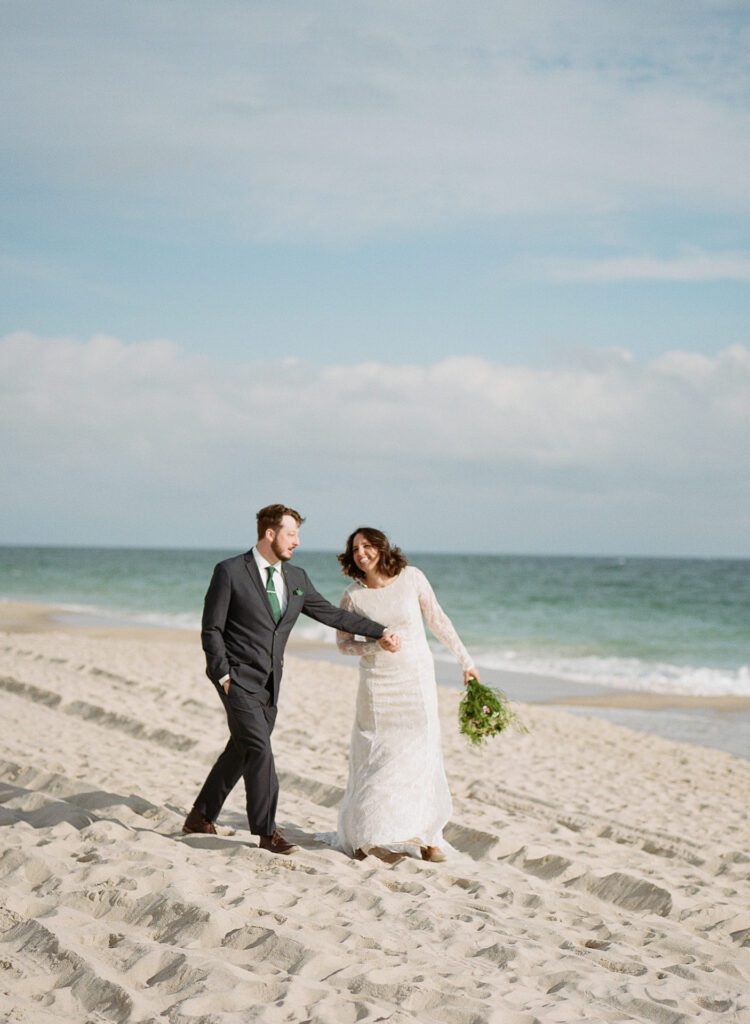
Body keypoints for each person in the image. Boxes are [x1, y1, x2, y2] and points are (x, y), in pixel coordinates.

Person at [183, 504, 400, 855]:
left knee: (240, 750)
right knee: (259, 750)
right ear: (270, 534)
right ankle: (267, 832)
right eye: (291, 533)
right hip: (236, 680)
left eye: (298, 534)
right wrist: (222, 674)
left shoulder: (296, 578)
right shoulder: (230, 571)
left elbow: (332, 614)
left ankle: (200, 816)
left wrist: (381, 631)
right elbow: (212, 629)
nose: (297, 541)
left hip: (270, 684)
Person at [332, 527, 479, 863]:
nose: (361, 553)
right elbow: (343, 645)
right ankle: (368, 838)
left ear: (382, 549)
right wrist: (374, 644)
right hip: (377, 686)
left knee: (422, 756)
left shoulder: (412, 578)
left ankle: (428, 837)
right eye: (355, 549)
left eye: (367, 546)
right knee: (378, 758)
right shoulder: (353, 596)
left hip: (415, 681)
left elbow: (437, 620)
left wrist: (466, 661)